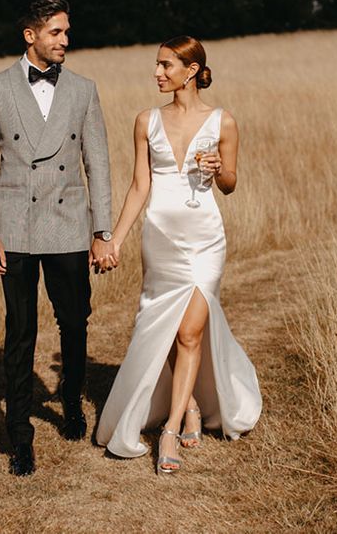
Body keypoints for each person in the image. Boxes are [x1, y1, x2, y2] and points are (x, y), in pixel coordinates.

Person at [95, 35, 261, 474]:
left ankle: (168, 429)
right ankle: (187, 405)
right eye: (157, 65)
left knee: (190, 332)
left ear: (191, 71)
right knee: (169, 326)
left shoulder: (223, 121)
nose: (157, 73)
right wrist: (116, 238)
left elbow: (230, 184)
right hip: (161, 235)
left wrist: (218, 170)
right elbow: (139, 186)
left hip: (205, 237)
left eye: (166, 65)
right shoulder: (145, 120)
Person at [0, 0, 114, 477]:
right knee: (20, 332)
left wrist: (102, 230)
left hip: (70, 225)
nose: (65, 40)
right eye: (56, 32)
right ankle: (20, 438)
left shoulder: (84, 90)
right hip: (14, 228)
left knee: (74, 323)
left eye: (67, 31)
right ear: (30, 35)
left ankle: (71, 400)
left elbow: (98, 164)